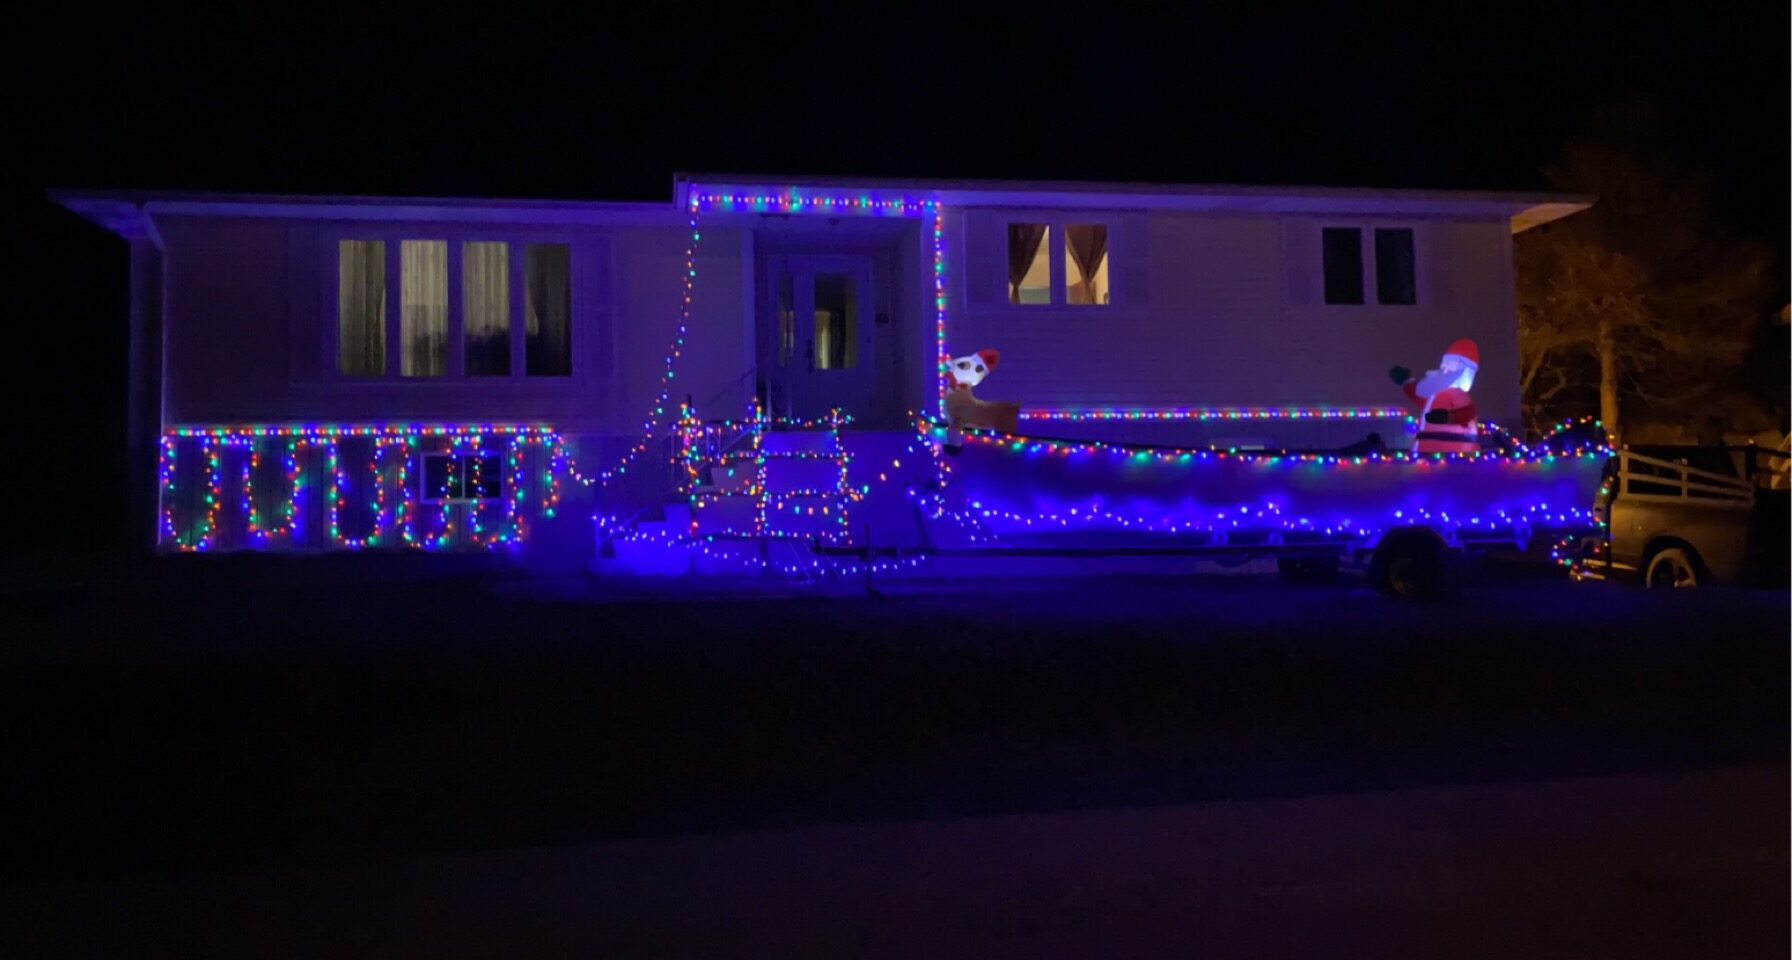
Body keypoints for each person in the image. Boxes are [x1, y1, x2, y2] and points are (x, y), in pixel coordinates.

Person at [1390, 338, 1480, 454]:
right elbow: (1420, 398)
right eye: (1443, 363)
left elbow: (1467, 413)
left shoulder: (1458, 394)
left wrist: (1446, 417)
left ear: (1463, 369)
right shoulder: (1434, 394)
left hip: (1453, 452)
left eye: (1448, 363)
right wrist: (1406, 382)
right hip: (1426, 452)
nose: (1443, 367)